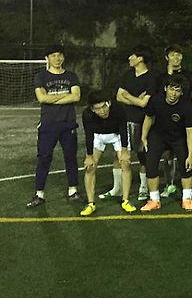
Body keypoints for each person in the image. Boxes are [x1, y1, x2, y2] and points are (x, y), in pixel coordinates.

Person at [27, 45, 82, 208]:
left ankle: (73, 191)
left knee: (70, 158)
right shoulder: (41, 76)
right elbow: (41, 98)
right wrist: (66, 95)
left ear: (63, 57)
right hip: (48, 124)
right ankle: (39, 194)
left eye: (59, 55)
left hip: (68, 124)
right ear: (47, 58)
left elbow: (76, 96)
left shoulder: (71, 76)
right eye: (53, 55)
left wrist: (52, 97)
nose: (57, 58)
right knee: (44, 158)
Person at [140, 74, 192, 212]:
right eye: (171, 89)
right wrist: (144, 137)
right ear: (165, 88)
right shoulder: (156, 100)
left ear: (181, 92)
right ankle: (154, 200)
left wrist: (190, 155)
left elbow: (190, 132)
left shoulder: (187, 106)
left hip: (179, 137)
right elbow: (148, 118)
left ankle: (187, 199)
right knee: (151, 164)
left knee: (186, 166)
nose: (173, 93)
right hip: (158, 135)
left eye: (177, 90)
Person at [79, 90, 135, 216]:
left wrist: (124, 151)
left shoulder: (119, 109)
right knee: (90, 167)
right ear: (92, 109)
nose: (102, 111)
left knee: (125, 164)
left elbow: (123, 130)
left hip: (117, 135)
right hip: (98, 135)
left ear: (109, 103)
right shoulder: (87, 114)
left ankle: (125, 200)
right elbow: (88, 135)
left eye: (104, 106)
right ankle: (91, 203)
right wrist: (89, 156)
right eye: (98, 109)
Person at [115, 45, 156, 201]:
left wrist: (128, 96)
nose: (129, 58)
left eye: (132, 55)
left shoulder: (151, 77)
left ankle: (143, 187)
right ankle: (117, 188)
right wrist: (135, 99)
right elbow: (119, 96)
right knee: (121, 154)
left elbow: (144, 104)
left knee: (142, 155)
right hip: (124, 120)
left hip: (142, 121)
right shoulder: (127, 75)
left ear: (140, 58)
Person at [157, 44, 192, 198]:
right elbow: (159, 97)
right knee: (167, 155)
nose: (176, 58)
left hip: (183, 120)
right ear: (167, 57)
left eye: (178, 55)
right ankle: (169, 184)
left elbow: (191, 96)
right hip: (165, 121)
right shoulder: (160, 77)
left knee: (185, 154)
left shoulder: (189, 75)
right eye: (172, 55)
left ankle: (187, 188)